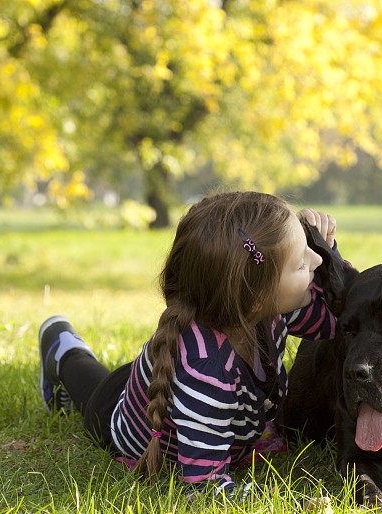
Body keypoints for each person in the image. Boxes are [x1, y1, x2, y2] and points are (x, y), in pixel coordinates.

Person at [37, 191, 345, 495]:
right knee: (86, 378)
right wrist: (291, 502)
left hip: (169, 375)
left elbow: (342, 321)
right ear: (257, 295)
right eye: (301, 263)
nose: (316, 260)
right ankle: (61, 345)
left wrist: (327, 250)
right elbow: (206, 485)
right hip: (118, 409)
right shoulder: (207, 371)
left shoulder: (265, 310)